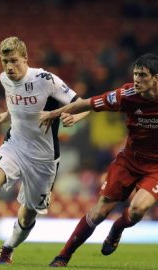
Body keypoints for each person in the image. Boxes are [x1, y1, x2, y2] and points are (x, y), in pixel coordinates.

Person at [0, 37, 89, 264]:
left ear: (25, 59)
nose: (9, 67)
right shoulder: (4, 78)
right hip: (15, 144)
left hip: (44, 158)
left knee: (28, 212)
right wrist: (8, 114)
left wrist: (74, 116)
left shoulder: (46, 79)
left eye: (14, 61)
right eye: (5, 62)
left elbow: (83, 103)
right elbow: (20, 103)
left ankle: (8, 248)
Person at [39, 53, 158, 267]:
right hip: (128, 161)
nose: (137, 79)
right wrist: (55, 113)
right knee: (99, 212)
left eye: (143, 75)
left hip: (156, 167)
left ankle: (117, 228)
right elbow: (88, 104)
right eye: (135, 74)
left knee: (138, 209)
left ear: (156, 78)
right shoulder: (126, 94)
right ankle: (64, 255)